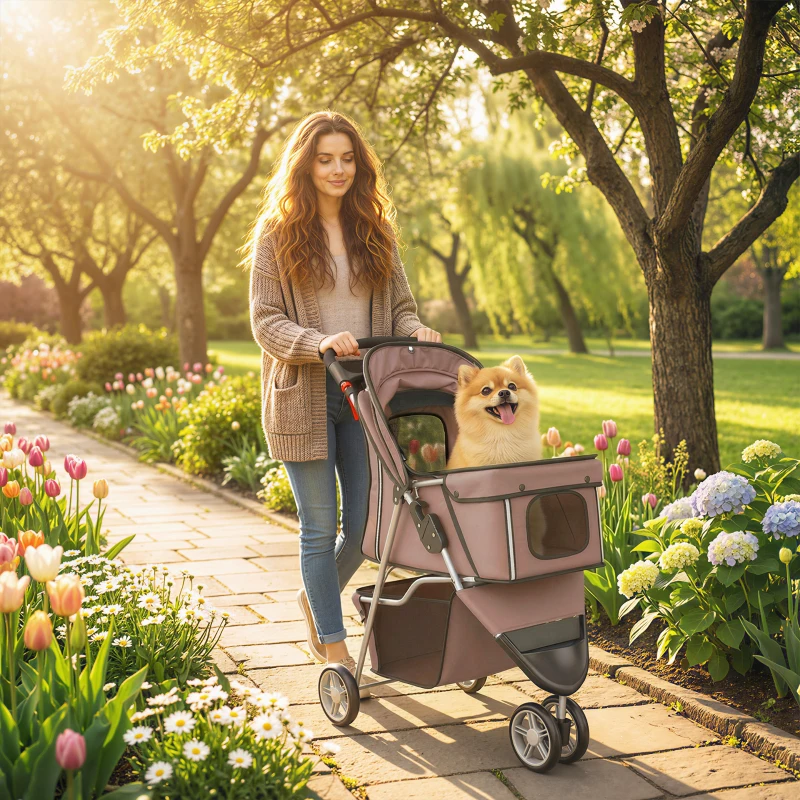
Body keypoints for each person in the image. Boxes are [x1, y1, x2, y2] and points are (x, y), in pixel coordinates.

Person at [246, 111, 441, 678]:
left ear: (360, 165)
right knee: (318, 525)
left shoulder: (375, 232)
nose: (337, 169)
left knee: (363, 526)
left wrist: (416, 331)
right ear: (305, 164)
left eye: (347, 158)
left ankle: (318, 595)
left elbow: (401, 310)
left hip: (365, 396)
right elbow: (265, 322)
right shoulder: (277, 236)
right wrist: (317, 341)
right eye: (325, 158)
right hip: (303, 396)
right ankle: (333, 646)